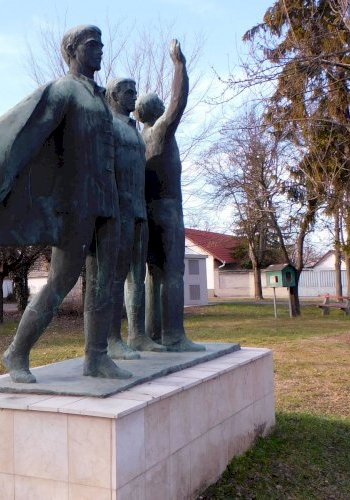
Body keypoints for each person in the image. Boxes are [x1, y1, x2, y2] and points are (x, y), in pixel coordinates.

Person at [0, 25, 131, 382]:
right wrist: (8, 175)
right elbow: (32, 134)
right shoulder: (64, 90)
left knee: (105, 282)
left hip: (108, 199)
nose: (101, 49)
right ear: (72, 50)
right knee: (61, 281)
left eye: (101, 44)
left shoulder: (101, 98)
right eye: (93, 44)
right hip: (75, 201)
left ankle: (97, 357)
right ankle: (17, 352)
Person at [135, 40, 204, 352]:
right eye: (160, 105)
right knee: (173, 273)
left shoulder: (138, 140)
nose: (166, 106)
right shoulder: (160, 132)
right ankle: (174, 335)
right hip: (167, 212)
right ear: (155, 111)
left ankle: (153, 334)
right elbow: (179, 101)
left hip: (147, 212)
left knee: (154, 274)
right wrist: (179, 66)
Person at [105, 77, 166, 358]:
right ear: (114, 96)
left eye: (135, 92)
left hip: (139, 210)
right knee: (115, 277)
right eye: (128, 92)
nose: (134, 97)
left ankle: (137, 335)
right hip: (119, 211)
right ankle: (111, 340)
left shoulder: (135, 131)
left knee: (137, 276)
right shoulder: (108, 125)